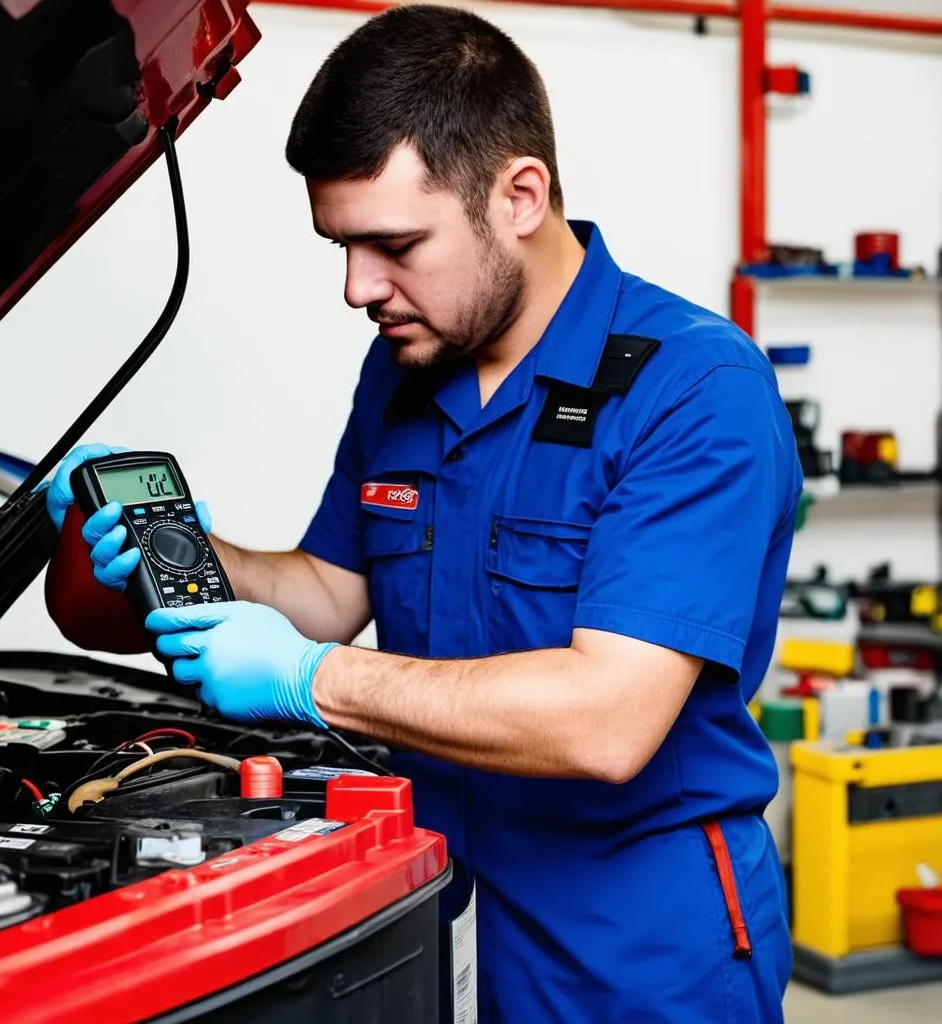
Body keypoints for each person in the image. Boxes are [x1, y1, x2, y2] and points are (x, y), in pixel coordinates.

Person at [44, 6, 802, 1021]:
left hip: (632, 950)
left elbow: (607, 719)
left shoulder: (693, 387)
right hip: (432, 905)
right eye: (341, 246)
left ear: (519, 195)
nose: (359, 287)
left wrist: (309, 679)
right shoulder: (406, 367)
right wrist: (177, 547)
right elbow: (327, 587)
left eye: (393, 244)